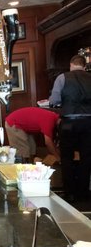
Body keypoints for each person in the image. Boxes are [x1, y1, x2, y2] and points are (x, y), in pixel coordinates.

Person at [50, 55, 91, 200]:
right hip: (88, 122)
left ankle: (70, 193)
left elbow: (54, 100)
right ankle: (83, 192)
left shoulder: (62, 78)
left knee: (67, 157)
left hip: (68, 122)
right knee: (87, 157)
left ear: (71, 65)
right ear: (84, 66)